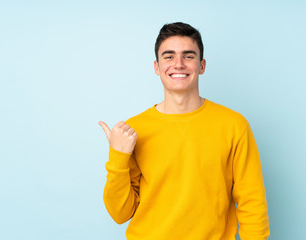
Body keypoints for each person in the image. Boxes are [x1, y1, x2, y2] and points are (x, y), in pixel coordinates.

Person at [99, 22, 270, 240]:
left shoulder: (234, 125)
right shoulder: (133, 130)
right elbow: (120, 214)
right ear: (156, 67)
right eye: (168, 57)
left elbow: (252, 203)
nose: (178, 64)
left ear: (201, 65)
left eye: (188, 56)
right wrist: (118, 156)